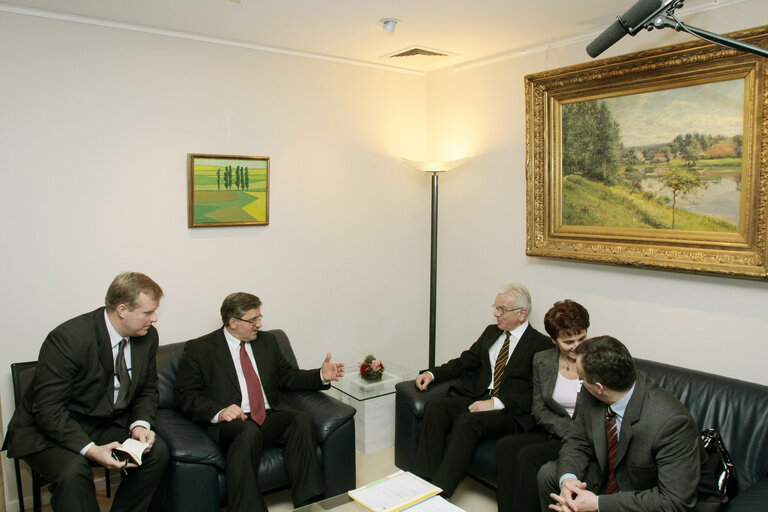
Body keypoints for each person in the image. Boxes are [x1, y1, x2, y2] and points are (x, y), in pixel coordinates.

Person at [3, 272, 170, 512]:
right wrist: (91, 450)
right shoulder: (69, 339)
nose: (154, 319)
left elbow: (147, 388)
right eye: (147, 312)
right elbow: (48, 409)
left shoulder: (147, 337)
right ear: (122, 310)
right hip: (51, 426)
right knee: (73, 472)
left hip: (103, 419)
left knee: (157, 453)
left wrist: (140, 425)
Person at [173, 292, 345, 512]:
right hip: (232, 423)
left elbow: (287, 377)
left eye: (259, 318)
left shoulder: (268, 341)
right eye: (253, 320)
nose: (259, 324)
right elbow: (184, 395)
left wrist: (320, 376)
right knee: (247, 433)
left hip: (268, 415)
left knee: (300, 420)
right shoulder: (200, 349)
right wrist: (220, 411)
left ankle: (309, 504)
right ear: (233, 322)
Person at [538, 336, 724, 512]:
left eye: (581, 377)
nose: (580, 381)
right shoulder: (593, 390)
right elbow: (577, 440)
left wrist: (598, 504)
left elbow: (674, 501)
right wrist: (568, 480)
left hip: (659, 494)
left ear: (599, 387)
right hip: (616, 475)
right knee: (550, 475)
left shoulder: (672, 423)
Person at [412, 283, 551, 497]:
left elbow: (536, 392)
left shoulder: (541, 345)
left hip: (510, 410)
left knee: (467, 421)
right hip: (478, 395)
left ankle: (440, 494)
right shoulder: (491, 333)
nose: (496, 314)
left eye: (502, 310)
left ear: (522, 314)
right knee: (436, 406)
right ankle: (422, 481)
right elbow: (464, 362)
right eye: (495, 308)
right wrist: (432, 374)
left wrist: (495, 403)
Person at [496, 299, 589, 512]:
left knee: (527, 457)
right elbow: (539, 408)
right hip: (552, 430)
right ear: (554, 340)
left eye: (582, 338)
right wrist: (563, 430)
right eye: (569, 341)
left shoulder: (595, 361)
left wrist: (572, 435)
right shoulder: (542, 360)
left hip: (581, 439)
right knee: (505, 446)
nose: (577, 346)